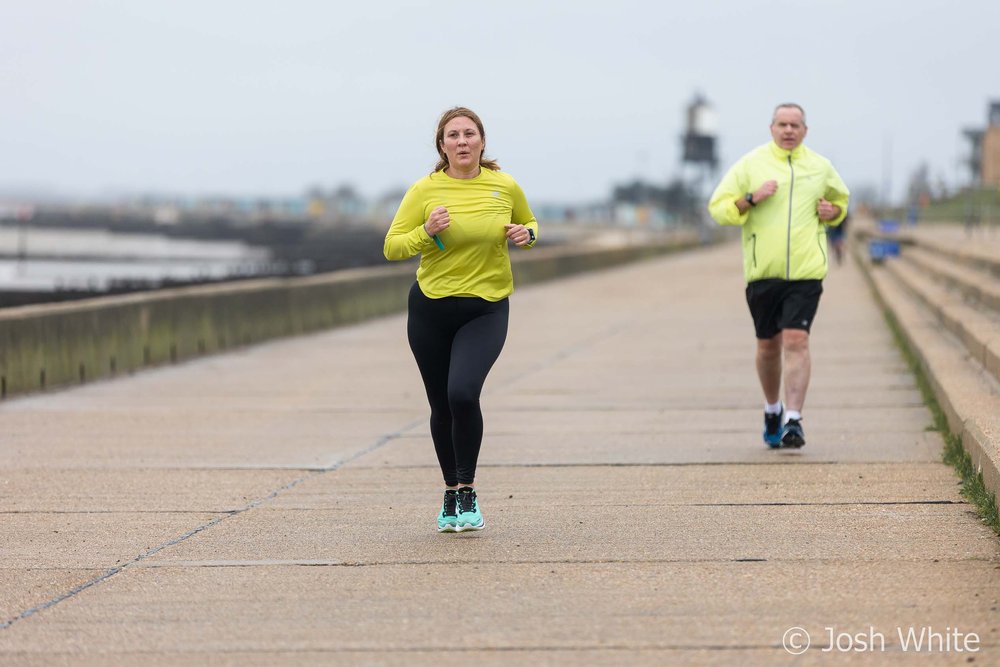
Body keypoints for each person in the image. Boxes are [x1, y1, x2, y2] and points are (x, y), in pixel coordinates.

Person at [384, 106, 538, 532]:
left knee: (463, 393)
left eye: (470, 134)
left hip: (486, 307)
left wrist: (528, 235)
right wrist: (426, 230)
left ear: (482, 142)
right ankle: (451, 492)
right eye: (453, 135)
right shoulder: (424, 190)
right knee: (440, 403)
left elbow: (528, 222)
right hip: (430, 309)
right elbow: (392, 247)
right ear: (442, 145)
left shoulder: (504, 186)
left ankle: (468, 488)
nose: (463, 141)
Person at [708, 103, 849, 449]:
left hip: (805, 272)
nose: (788, 130)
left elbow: (840, 203)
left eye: (795, 125)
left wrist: (833, 212)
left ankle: (794, 420)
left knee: (796, 340)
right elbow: (718, 209)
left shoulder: (820, 167)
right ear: (771, 127)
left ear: (805, 130)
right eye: (782, 124)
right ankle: (773, 408)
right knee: (768, 347)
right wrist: (751, 198)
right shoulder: (751, 164)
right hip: (764, 274)